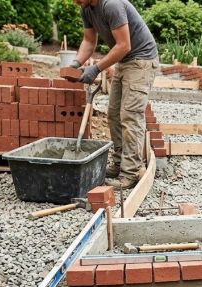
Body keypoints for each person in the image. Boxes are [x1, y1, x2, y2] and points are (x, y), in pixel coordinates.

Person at [71, 0, 159, 189]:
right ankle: (119, 164)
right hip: (124, 61)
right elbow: (89, 40)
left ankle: (130, 173)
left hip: (142, 60)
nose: (74, 1)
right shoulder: (86, 8)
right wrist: (75, 64)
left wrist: (96, 68)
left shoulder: (112, 5)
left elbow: (124, 45)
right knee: (113, 115)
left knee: (130, 116)